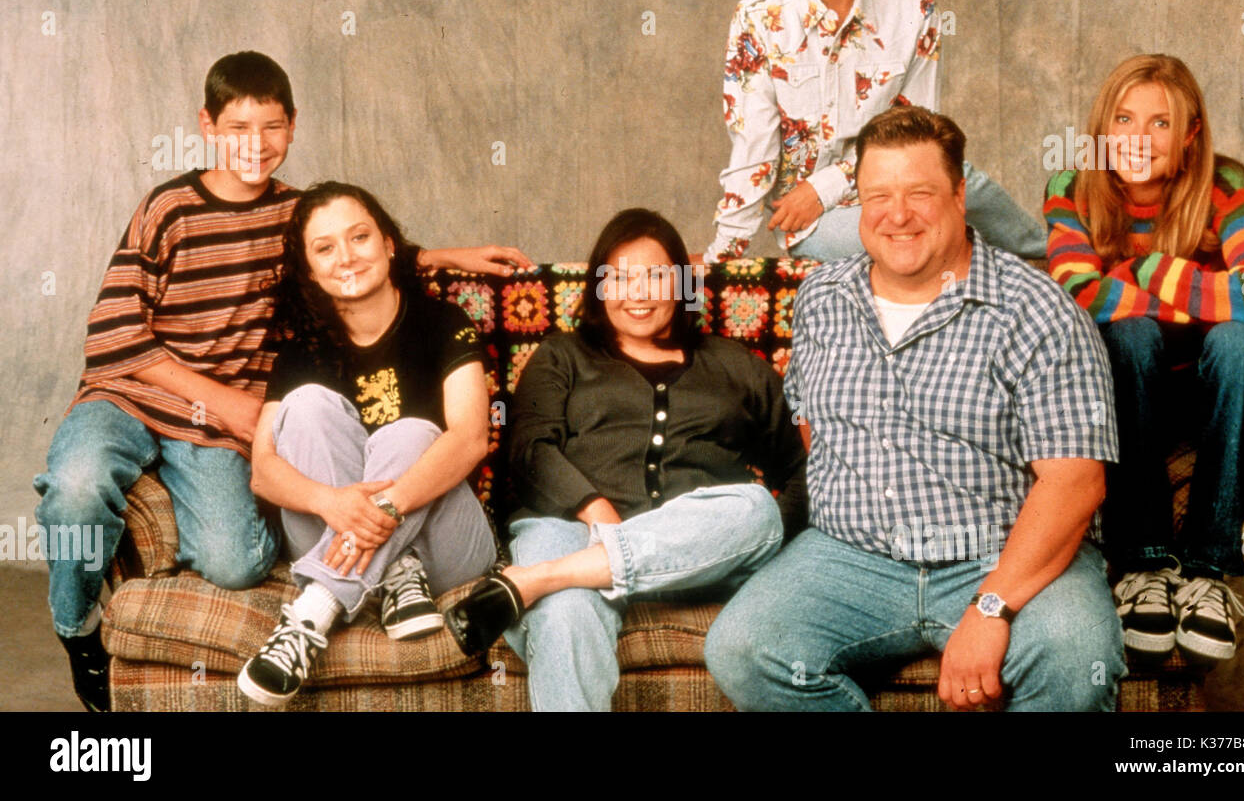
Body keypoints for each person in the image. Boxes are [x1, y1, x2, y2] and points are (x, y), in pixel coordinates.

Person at [33, 51, 531, 712]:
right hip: (131, 397)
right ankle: (78, 631)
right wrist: (230, 406)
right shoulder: (169, 209)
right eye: (237, 128)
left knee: (237, 562)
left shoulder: (295, 216)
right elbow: (115, 336)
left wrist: (443, 257)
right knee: (76, 487)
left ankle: (325, 592)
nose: (255, 145)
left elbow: (353, 250)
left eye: (270, 127)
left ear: (293, 127)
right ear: (205, 126)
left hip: (210, 434)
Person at [704, 105, 1125, 711]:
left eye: (920, 192)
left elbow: (1075, 483)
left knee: (1075, 653)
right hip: (850, 558)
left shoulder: (1039, 310)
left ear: (959, 195)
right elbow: (812, 425)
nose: (897, 215)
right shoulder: (823, 298)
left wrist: (992, 607)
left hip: (999, 553)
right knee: (744, 647)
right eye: (878, 195)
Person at [441, 208, 806, 711]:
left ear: (681, 285)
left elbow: (801, 469)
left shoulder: (734, 365)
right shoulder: (562, 356)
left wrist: (768, 540)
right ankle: (566, 578)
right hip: (569, 527)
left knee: (754, 509)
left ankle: (539, 579)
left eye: (656, 276)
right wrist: (595, 509)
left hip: (698, 551)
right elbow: (531, 452)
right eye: (620, 277)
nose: (638, 292)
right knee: (564, 613)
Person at [1043, 54, 1244, 662]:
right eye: (1124, 119)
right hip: (1123, 401)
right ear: (1103, 129)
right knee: (1129, 335)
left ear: (1190, 134)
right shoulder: (1070, 191)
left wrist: (1145, 269)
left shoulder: (1224, 187)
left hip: (1215, 399)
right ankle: (1143, 566)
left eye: (1159, 123)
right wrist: (1213, 298)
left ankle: (1207, 575)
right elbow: (1078, 297)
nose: (1137, 139)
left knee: (1240, 342)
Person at [703, 0, 1045, 264]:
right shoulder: (758, 18)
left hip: (897, 183)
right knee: (925, 238)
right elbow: (753, 151)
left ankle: (1063, 260)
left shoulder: (914, 10)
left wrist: (824, 186)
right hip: (817, 222)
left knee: (962, 181)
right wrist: (722, 256)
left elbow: (917, 137)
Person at [236, 182, 498, 706]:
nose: (347, 257)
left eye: (359, 238)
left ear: (389, 245)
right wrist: (331, 502)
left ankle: (314, 611)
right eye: (325, 248)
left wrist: (381, 510)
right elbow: (263, 471)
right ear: (309, 269)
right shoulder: (302, 352)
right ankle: (394, 571)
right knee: (306, 405)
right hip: (335, 525)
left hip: (448, 546)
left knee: (413, 433)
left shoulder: (441, 322)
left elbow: (471, 438)